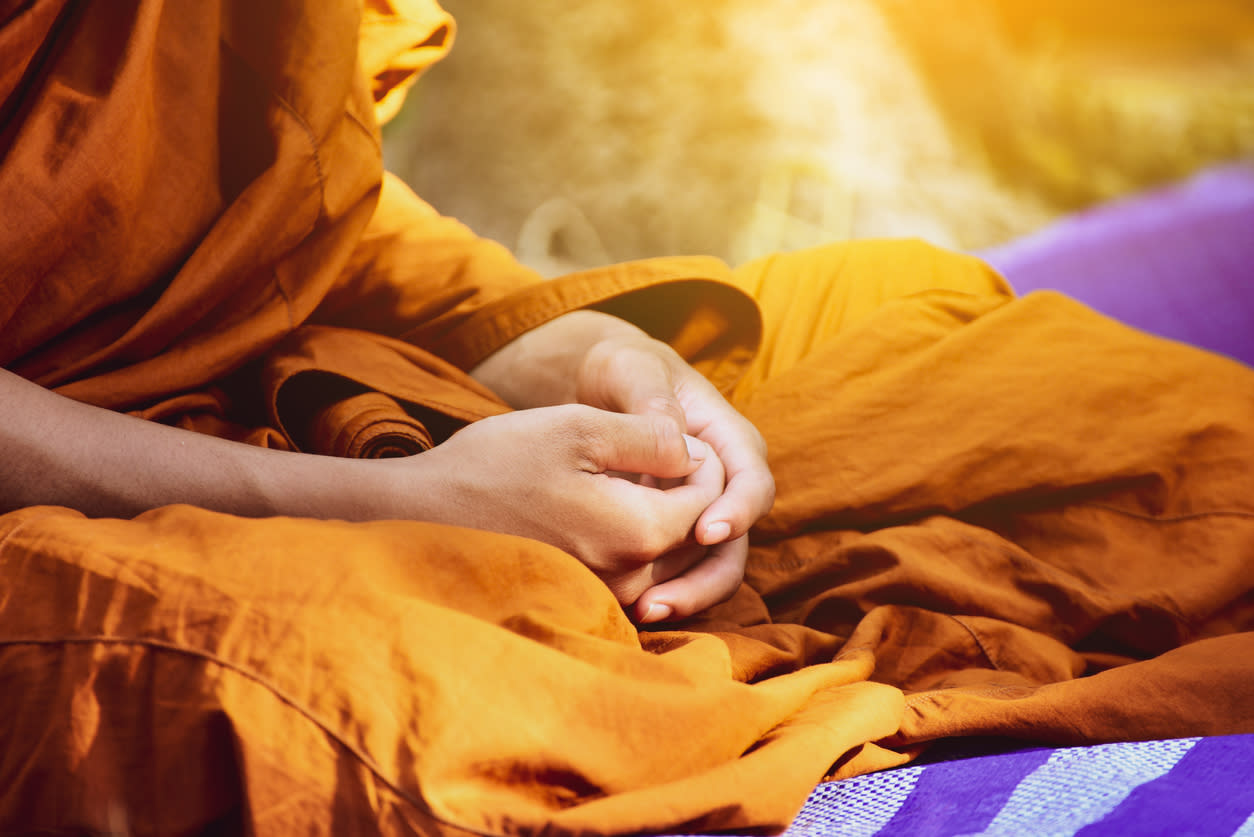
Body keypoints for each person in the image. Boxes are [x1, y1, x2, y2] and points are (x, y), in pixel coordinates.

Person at [1, 1, 1251, 835]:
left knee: (1021, 381)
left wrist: (576, 349)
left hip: (257, 364)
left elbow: (292, 186)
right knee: (367, 697)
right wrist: (392, 504)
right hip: (65, 508)